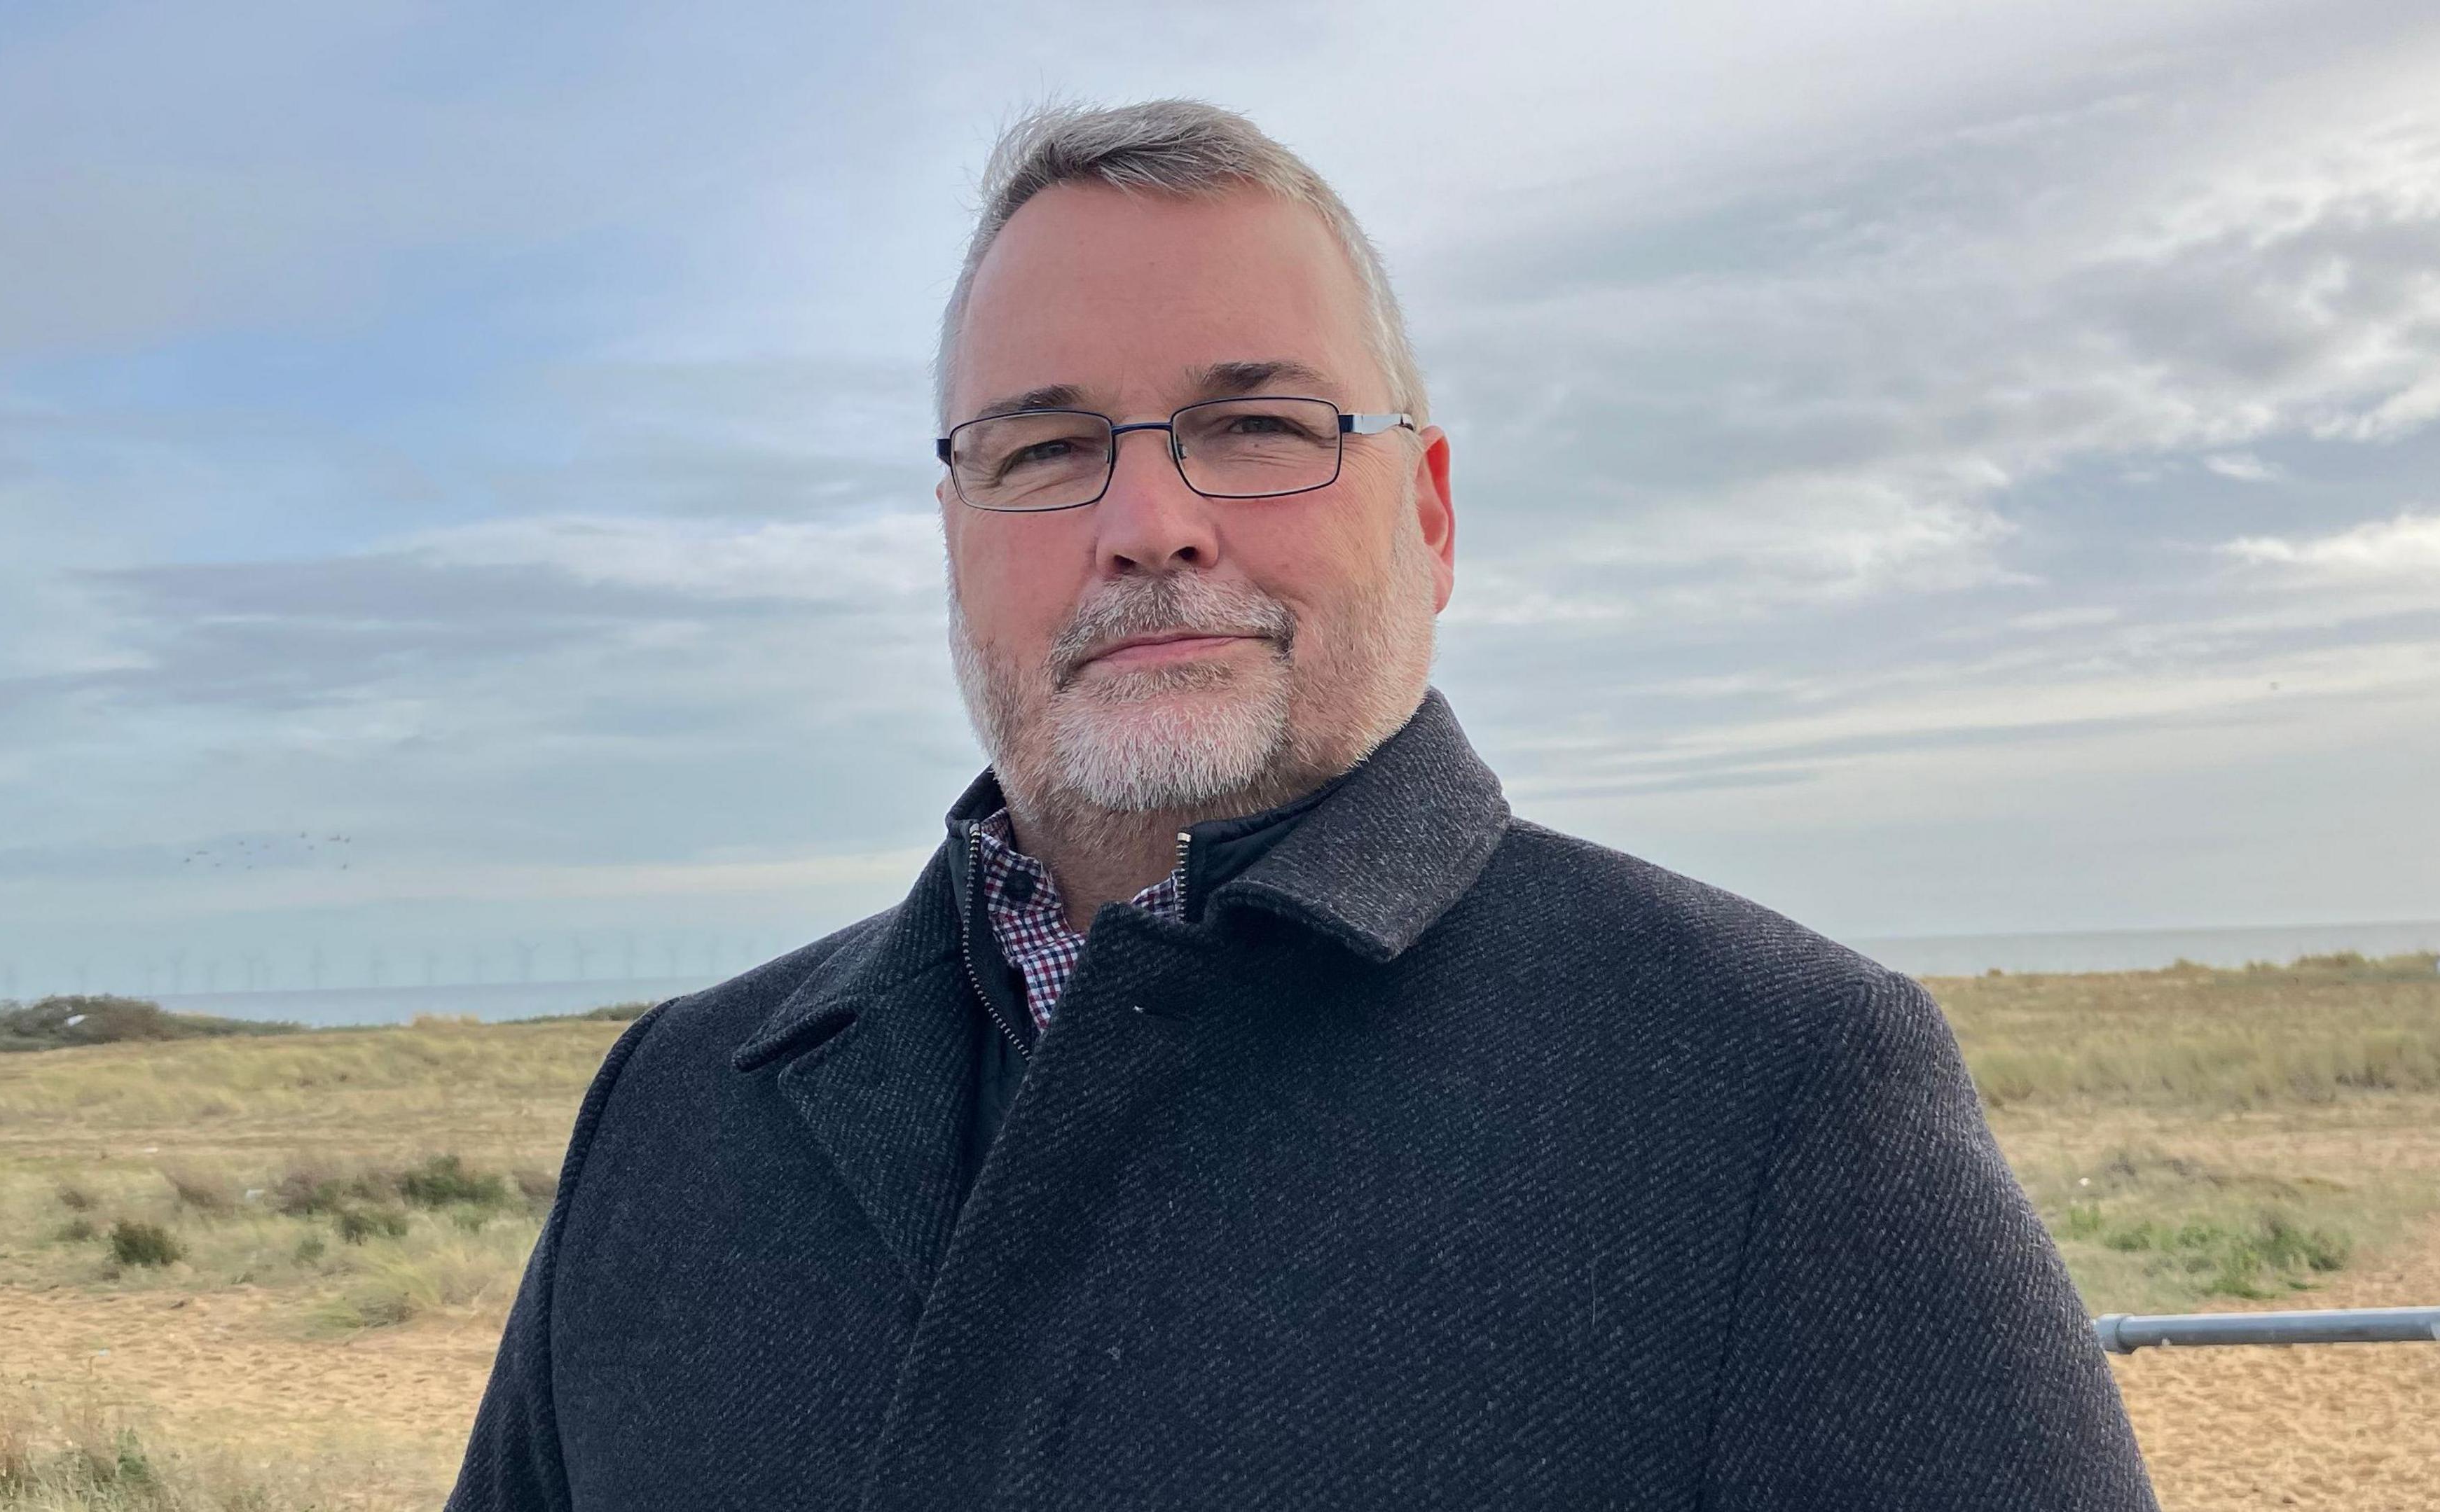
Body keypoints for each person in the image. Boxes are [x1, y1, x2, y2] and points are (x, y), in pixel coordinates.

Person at [448, 99, 2156, 1510]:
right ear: (955, 539)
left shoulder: (1770, 1095)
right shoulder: (682, 1110)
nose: (1149, 523)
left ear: (1430, 517)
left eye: (1255, 424)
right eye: (1044, 452)